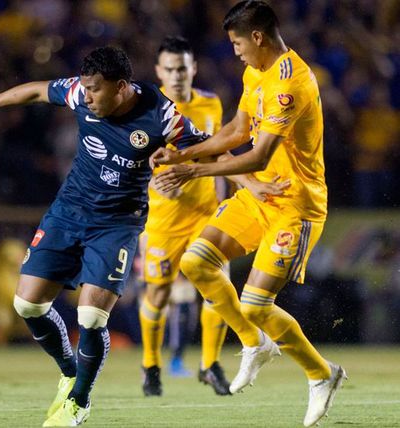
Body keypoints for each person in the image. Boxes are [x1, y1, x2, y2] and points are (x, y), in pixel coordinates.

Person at [0, 46, 218, 427]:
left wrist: (235, 175)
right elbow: (36, 90)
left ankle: (79, 402)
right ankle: (69, 370)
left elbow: (209, 150)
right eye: (85, 89)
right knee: (27, 305)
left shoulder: (162, 117)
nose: (87, 96)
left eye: (95, 90)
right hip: (68, 212)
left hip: (117, 223)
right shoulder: (80, 93)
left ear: (122, 87)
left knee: (91, 315)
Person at [150, 2, 347, 427]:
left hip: (295, 205)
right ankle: (254, 343)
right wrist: (182, 153)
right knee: (196, 262)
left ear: (257, 37)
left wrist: (193, 169)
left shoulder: (290, 83)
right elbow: (238, 132)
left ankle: (322, 374)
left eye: (238, 42)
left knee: (257, 303)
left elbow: (257, 153)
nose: (235, 51)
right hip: (259, 199)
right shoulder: (254, 72)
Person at [140, 35, 271, 397]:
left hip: (205, 213)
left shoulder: (210, 103)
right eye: (170, 69)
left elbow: (217, 154)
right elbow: (134, 159)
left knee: (216, 288)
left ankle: (209, 364)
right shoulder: (147, 108)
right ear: (158, 72)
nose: (177, 74)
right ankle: (150, 365)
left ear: (193, 68)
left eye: (182, 67)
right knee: (159, 293)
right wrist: (153, 187)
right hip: (163, 220)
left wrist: (227, 196)